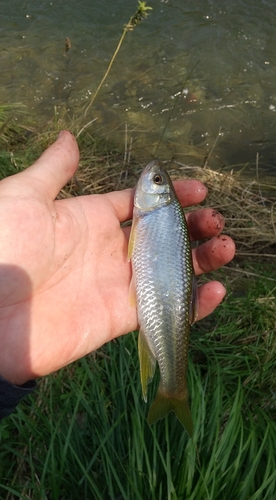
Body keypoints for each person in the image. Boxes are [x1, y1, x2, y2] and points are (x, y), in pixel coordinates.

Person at [0, 130, 235, 419]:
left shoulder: (157, 214)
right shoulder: (156, 214)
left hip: (166, 296)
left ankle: (172, 389)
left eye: (156, 181)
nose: (151, 176)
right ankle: (171, 388)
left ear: (160, 196)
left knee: (157, 335)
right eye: (158, 180)